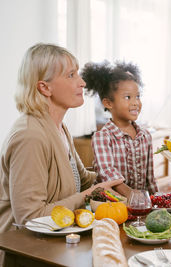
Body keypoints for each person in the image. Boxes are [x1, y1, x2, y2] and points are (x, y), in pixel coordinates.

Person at [0, 43, 124, 240]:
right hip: (26, 251)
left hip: (56, 241)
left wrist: (120, 175)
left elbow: (81, 179)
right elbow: (30, 218)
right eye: (71, 75)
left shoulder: (59, 127)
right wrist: (89, 194)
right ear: (44, 87)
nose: (82, 83)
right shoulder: (29, 137)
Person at [81, 61, 158, 198]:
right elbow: (107, 172)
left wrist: (155, 200)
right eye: (128, 97)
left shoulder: (145, 136)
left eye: (138, 96)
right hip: (111, 204)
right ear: (108, 103)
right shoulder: (102, 137)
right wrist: (132, 196)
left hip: (139, 206)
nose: (135, 102)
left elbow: (150, 179)